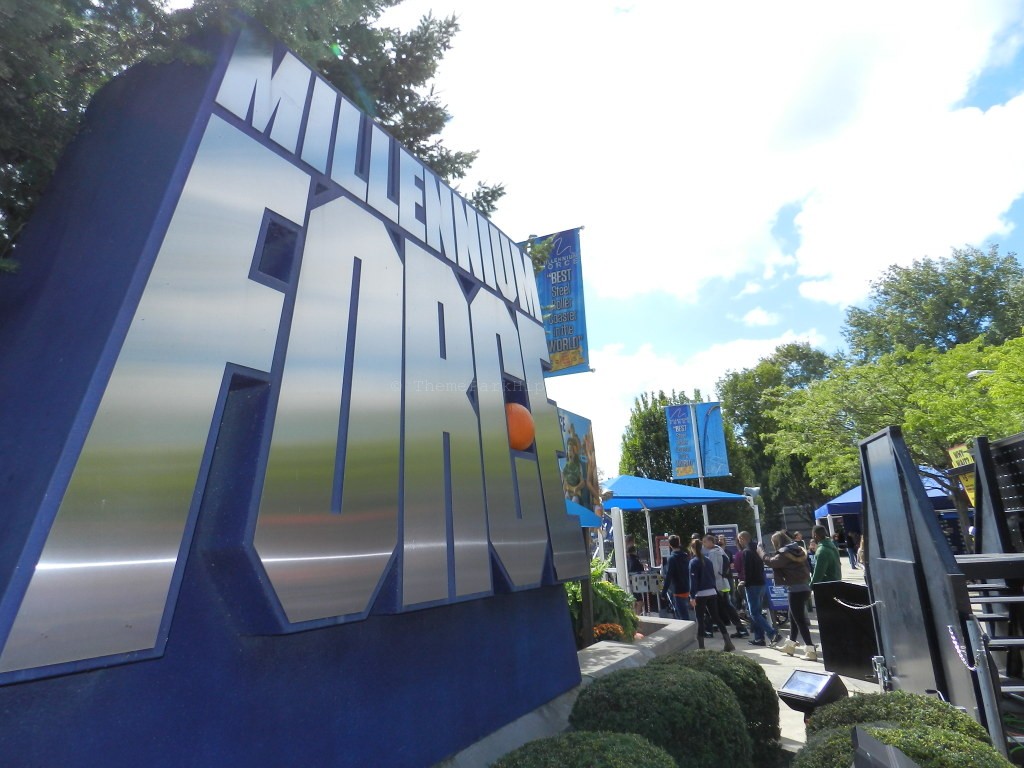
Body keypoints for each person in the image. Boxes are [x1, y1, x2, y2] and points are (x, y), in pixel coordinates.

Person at [765, 530, 816, 661]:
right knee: (792, 617)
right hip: (804, 586)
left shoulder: (784, 553)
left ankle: (810, 651)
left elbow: (772, 562)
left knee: (799, 621)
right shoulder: (798, 550)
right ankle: (790, 646)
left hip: (795, 590)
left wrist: (761, 553)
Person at [688, 538, 735, 651]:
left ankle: (701, 647)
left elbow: (693, 581)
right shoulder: (708, 560)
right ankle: (728, 642)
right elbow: (712, 576)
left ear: (692, 548)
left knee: (700, 619)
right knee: (716, 617)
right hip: (712, 592)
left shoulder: (693, 562)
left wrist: (692, 596)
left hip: (700, 594)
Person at [736, 531, 781, 646]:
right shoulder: (758, 549)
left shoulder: (746, 552)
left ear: (742, 539)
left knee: (754, 613)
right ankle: (759, 638)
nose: (739, 542)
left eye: (739, 539)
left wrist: (745, 582)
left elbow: (747, 570)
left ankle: (772, 633)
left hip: (752, 585)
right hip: (761, 583)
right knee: (758, 612)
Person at [702, 534, 748, 639]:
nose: (703, 544)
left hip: (717, 584)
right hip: (723, 583)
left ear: (710, 542)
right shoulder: (720, 550)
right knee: (726, 606)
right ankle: (740, 628)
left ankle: (710, 630)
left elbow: (713, 570)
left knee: (713, 607)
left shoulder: (713, 553)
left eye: (705, 542)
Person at [661, 535, 691, 620]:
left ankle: (687, 632)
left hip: (677, 589)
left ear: (670, 545)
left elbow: (669, 576)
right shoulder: (685, 556)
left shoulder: (672, 558)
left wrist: (664, 592)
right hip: (686, 587)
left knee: (681, 615)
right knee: (684, 612)